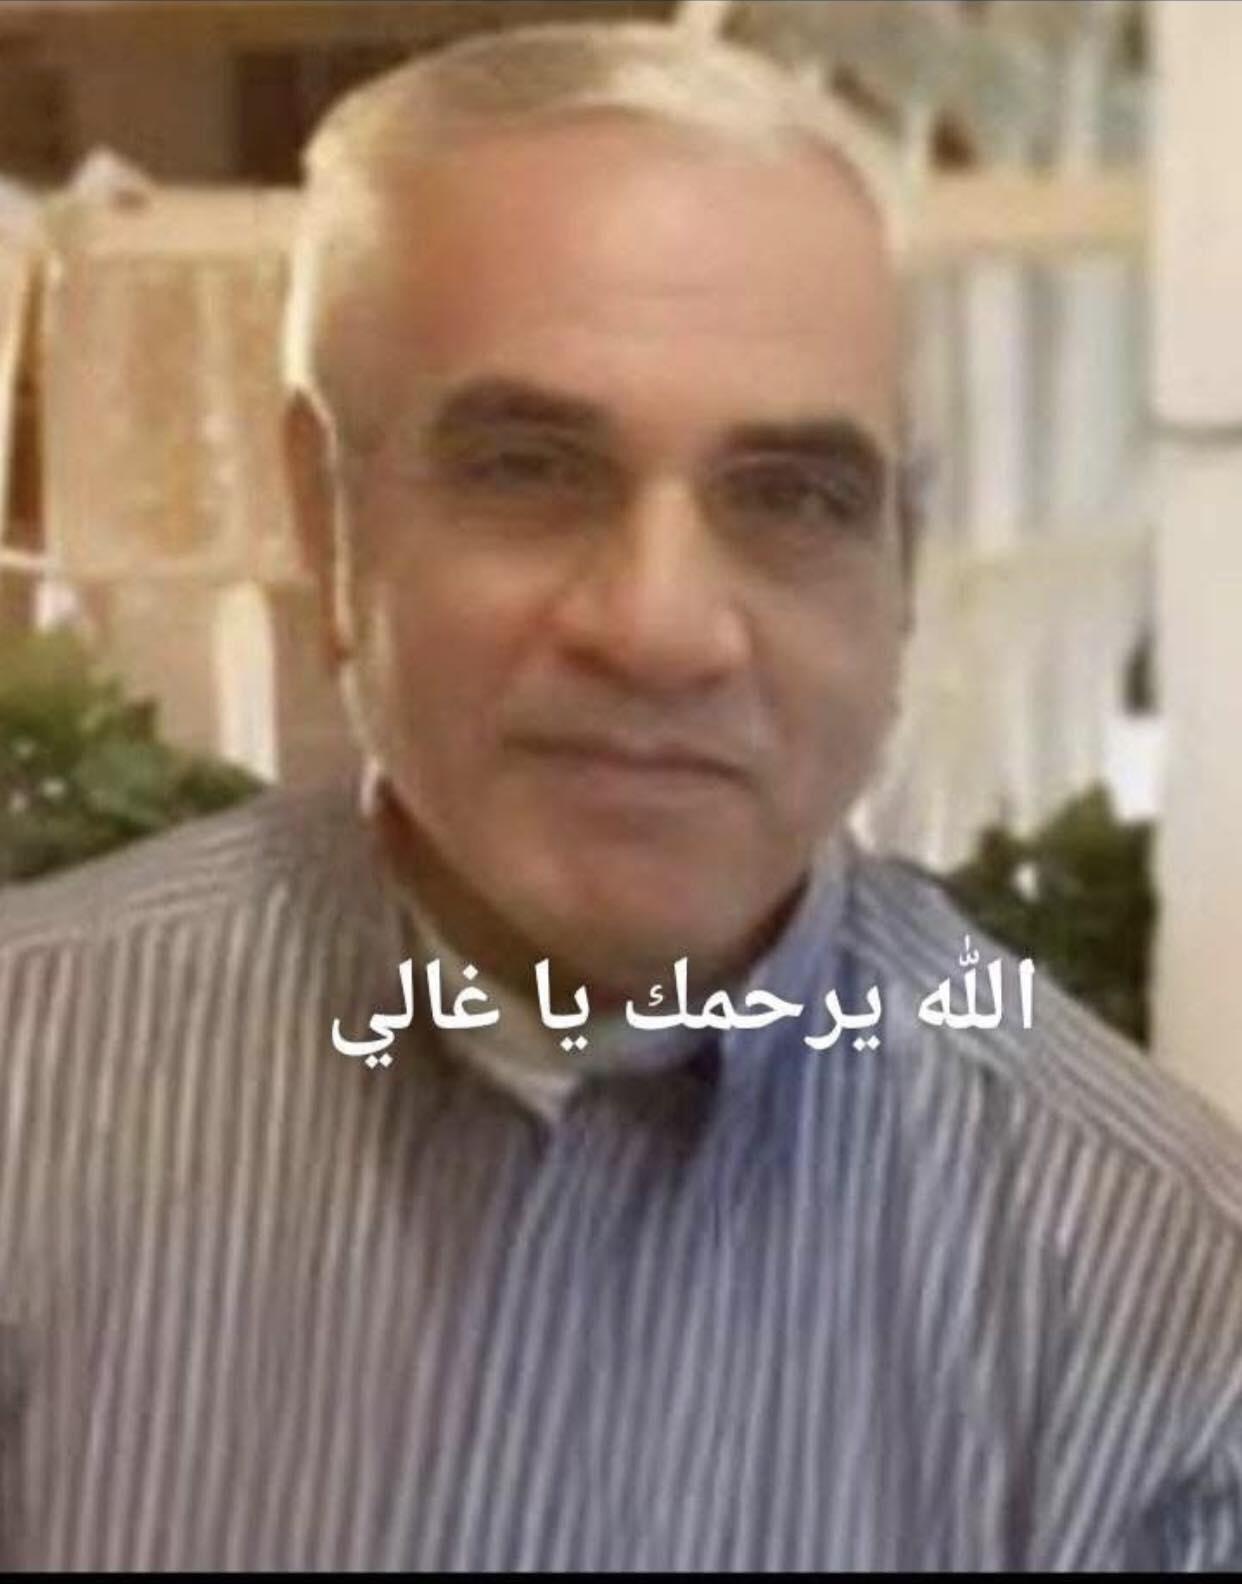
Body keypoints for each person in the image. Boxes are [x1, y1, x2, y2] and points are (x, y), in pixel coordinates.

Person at [1, 20, 1240, 1572]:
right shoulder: (32, 1091)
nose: (658, 629)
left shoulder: (1163, 1306)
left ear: (898, 571)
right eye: (527, 467)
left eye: (790, 496)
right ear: (329, 516)